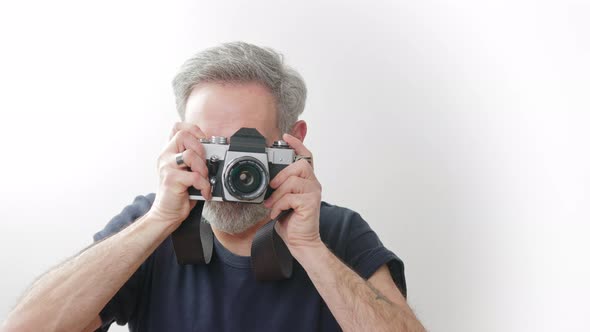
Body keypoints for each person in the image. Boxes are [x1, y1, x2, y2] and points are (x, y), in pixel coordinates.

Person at [2, 42, 425, 332]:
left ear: (293, 141)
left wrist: (311, 250)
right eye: (212, 145)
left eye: (249, 147)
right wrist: (159, 222)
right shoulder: (150, 227)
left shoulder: (334, 232)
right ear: (180, 138)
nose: (232, 170)